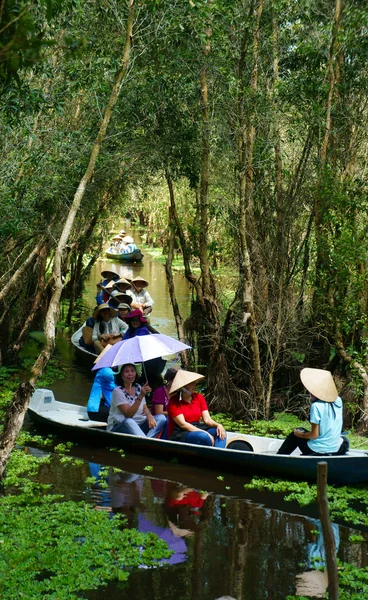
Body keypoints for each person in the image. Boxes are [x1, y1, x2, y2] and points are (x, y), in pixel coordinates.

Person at [277, 368, 349, 455]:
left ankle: (280, 456)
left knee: (296, 433)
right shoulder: (338, 401)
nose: (310, 393)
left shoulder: (316, 406)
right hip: (337, 449)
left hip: (317, 451)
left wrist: (299, 434)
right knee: (344, 439)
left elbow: (314, 435)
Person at [168, 370, 227, 447]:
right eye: (192, 383)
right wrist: (205, 433)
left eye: (195, 382)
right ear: (184, 386)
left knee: (220, 431)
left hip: (197, 427)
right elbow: (183, 424)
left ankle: (217, 455)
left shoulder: (199, 397)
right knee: (203, 437)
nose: (195, 385)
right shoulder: (174, 401)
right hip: (181, 432)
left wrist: (218, 425)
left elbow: (207, 420)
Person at [107, 363, 166, 437]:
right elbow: (128, 414)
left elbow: (145, 408)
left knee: (161, 418)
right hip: (120, 426)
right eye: (126, 371)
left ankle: (147, 440)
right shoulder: (117, 391)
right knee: (129, 421)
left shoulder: (138, 387)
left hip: (139, 424)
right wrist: (141, 396)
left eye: (132, 371)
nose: (130, 374)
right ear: (121, 375)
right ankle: (146, 442)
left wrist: (149, 416)